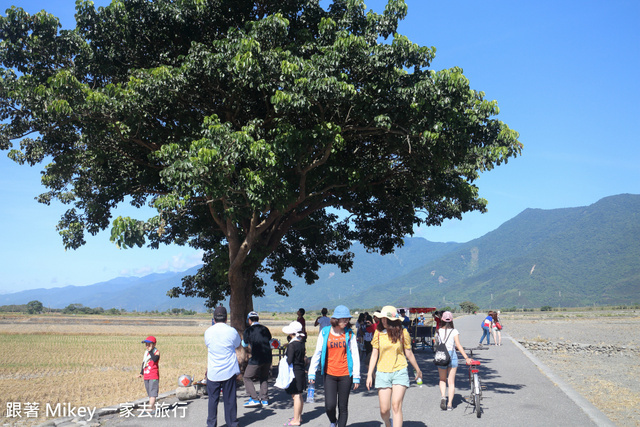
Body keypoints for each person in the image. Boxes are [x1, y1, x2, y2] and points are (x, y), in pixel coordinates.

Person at [366, 305, 423, 427]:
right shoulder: (378, 333)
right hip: (382, 372)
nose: (384, 321)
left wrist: (418, 369)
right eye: (382, 318)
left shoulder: (403, 333)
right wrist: (370, 374)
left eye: (387, 319)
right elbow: (374, 354)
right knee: (384, 410)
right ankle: (387, 422)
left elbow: (408, 352)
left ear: (394, 320)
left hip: (399, 371)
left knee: (396, 405)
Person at [309, 305, 360, 427]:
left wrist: (357, 376)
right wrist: (312, 372)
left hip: (345, 375)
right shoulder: (325, 332)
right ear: (336, 319)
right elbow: (318, 352)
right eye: (344, 319)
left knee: (343, 407)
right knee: (329, 406)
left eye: (347, 319)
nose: (346, 322)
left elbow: (355, 355)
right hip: (329, 374)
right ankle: (333, 421)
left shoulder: (349, 334)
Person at [204, 306, 241, 427]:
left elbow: (208, 345)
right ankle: (232, 424)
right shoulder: (231, 331)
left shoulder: (208, 332)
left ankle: (211, 424)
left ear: (214, 319)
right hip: (229, 370)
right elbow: (237, 344)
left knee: (212, 400)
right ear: (226, 319)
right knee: (230, 400)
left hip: (213, 371)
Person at [436, 311, 471, 411]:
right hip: (452, 356)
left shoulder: (438, 331)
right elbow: (458, 345)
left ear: (442, 319)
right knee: (451, 382)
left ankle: (443, 396)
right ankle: (450, 404)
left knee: (442, 379)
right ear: (451, 320)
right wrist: (466, 358)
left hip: (441, 356)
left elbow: (438, 343)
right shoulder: (454, 331)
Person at [242, 311, 273, 408]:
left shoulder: (248, 330)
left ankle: (254, 398)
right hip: (268, 357)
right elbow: (269, 339)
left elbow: (244, 344)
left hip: (256, 358)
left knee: (247, 377)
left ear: (249, 320)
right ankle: (265, 399)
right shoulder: (265, 329)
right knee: (264, 377)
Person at [283, 321, 307, 426]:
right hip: (301, 370)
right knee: (299, 395)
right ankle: (299, 416)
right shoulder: (301, 342)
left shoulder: (292, 345)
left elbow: (289, 361)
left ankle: (296, 420)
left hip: (294, 371)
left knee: (296, 395)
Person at [138, 336, 160, 412]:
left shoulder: (156, 352)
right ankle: (153, 408)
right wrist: (141, 372)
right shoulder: (146, 353)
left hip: (153, 375)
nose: (147, 346)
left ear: (153, 344)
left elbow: (154, 359)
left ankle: (150, 408)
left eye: (149, 344)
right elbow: (144, 363)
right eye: (146, 344)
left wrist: (151, 351)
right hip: (146, 375)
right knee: (149, 392)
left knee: (153, 392)